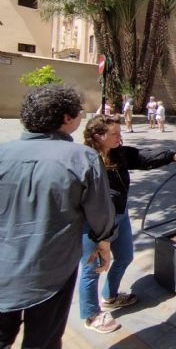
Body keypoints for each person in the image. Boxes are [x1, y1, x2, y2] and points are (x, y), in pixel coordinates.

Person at [0, 85, 116, 348]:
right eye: (79, 111)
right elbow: (100, 212)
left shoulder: (3, 153)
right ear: (66, 118)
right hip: (50, 272)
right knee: (44, 340)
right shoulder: (82, 158)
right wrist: (104, 243)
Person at [79, 115, 176, 333]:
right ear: (98, 136)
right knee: (93, 269)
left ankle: (110, 296)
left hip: (120, 215)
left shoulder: (119, 153)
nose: (120, 136)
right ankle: (91, 315)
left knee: (125, 256)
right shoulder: (86, 160)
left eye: (120, 132)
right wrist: (102, 237)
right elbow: (90, 201)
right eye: (115, 133)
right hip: (95, 222)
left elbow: (144, 157)